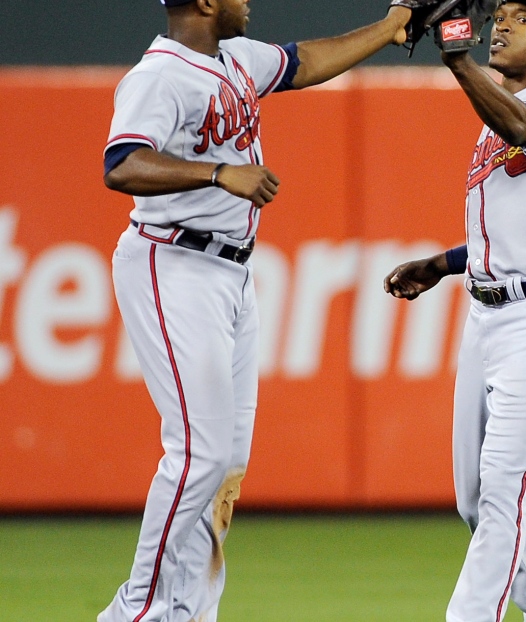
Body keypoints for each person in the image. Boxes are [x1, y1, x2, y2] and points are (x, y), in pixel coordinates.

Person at [99, 1, 419, 620]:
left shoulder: (235, 58)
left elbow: (303, 62)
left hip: (232, 272)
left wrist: (391, 23)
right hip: (174, 263)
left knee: (224, 468)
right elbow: (121, 165)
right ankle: (136, 611)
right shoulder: (159, 75)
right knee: (200, 453)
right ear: (206, 3)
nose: (249, 1)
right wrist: (218, 173)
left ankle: (191, 614)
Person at [383, 1, 526, 620]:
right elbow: (508, 235)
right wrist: (442, 264)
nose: (502, 24)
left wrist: (457, 59)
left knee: (502, 497)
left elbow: (521, 127)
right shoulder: (490, 119)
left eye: (522, 19)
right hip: (486, 315)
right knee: (474, 502)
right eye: (500, 14)